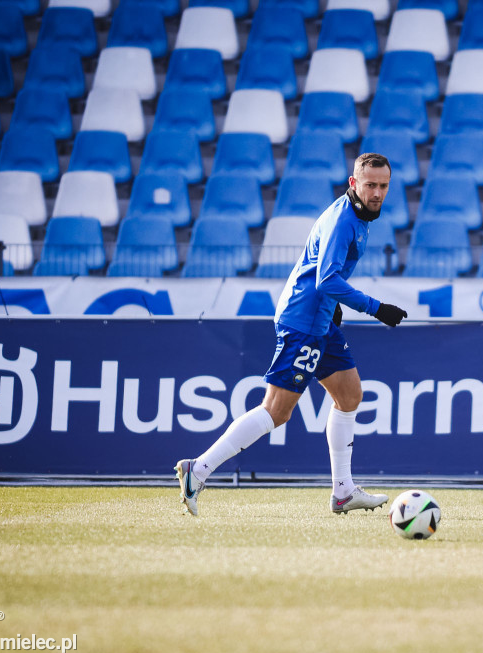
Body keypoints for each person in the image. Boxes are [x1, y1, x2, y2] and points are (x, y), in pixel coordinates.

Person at [175, 153, 408, 516]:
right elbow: (327, 279)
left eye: (383, 186)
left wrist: (334, 306)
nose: (377, 192)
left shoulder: (359, 214)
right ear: (354, 184)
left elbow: (323, 272)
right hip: (303, 323)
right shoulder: (343, 221)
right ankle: (198, 469)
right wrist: (376, 308)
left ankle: (343, 491)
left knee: (349, 395)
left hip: (321, 318)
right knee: (276, 411)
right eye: (370, 184)